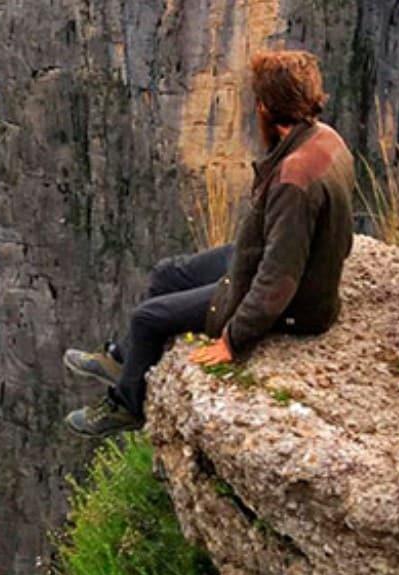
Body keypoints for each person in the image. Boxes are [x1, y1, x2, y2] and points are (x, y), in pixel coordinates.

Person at [64, 49, 355, 437]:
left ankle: (127, 406)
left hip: (296, 302)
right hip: (281, 260)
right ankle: (121, 358)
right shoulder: (326, 138)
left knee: (147, 318)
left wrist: (234, 339)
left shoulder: (294, 179)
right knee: (168, 273)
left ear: (266, 107)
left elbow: (279, 280)